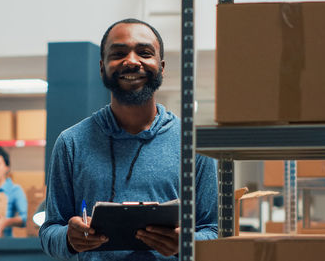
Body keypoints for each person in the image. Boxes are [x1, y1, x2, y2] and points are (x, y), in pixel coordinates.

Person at [39, 18, 218, 260]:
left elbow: (215, 230)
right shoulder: (71, 143)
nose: (132, 61)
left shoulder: (193, 143)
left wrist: (186, 242)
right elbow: (49, 231)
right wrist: (68, 239)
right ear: (102, 67)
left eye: (144, 53)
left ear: (161, 67)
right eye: (119, 53)